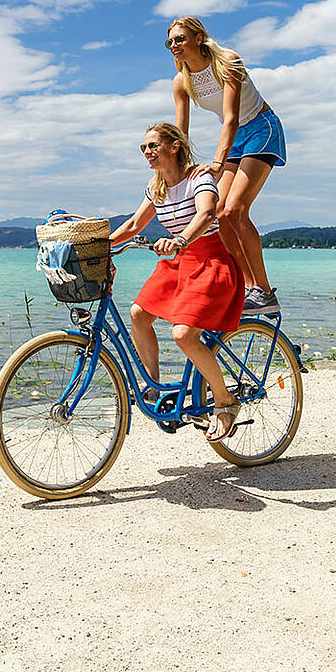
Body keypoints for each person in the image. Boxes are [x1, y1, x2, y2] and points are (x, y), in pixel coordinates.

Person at [109, 122, 244, 442]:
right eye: (144, 148)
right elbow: (132, 225)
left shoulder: (199, 177)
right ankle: (153, 386)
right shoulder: (157, 186)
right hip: (180, 261)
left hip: (211, 260)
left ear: (175, 146)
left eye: (153, 145)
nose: (147, 152)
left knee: (183, 335)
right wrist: (100, 247)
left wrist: (181, 239)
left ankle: (225, 402)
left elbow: (207, 213)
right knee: (139, 314)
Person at [166, 14, 286, 315]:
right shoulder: (182, 81)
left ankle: (265, 290)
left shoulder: (227, 61)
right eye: (169, 42)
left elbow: (231, 117)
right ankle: (250, 289)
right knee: (219, 213)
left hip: (260, 128)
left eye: (179, 39)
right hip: (235, 139)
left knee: (234, 209)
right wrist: (176, 169)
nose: (173, 45)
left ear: (198, 37)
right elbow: (181, 132)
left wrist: (217, 163)